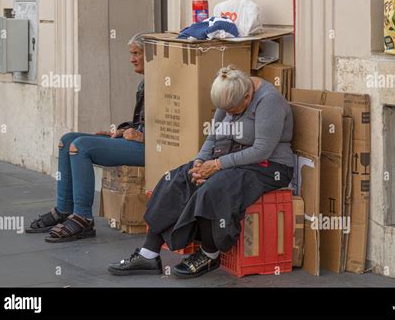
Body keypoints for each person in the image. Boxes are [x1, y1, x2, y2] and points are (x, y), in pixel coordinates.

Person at [108, 65, 294, 278]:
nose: (230, 115)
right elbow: (213, 137)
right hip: (229, 157)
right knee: (177, 178)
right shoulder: (229, 92)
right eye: (227, 111)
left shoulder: (269, 101)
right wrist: (200, 162)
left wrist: (216, 165)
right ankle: (148, 254)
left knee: (211, 189)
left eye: (234, 111)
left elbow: (262, 150)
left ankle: (209, 254)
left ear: (247, 96)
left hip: (268, 166)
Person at [25, 32, 147, 243]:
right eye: (132, 53)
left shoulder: (165, 84)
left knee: (81, 147)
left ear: (151, 55)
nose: (132, 59)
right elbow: (141, 122)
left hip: (150, 148)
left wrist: (143, 135)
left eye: (137, 53)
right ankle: (64, 209)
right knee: (68, 140)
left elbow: (170, 129)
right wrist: (121, 131)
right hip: (137, 140)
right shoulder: (144, 84)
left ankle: (83, 218)